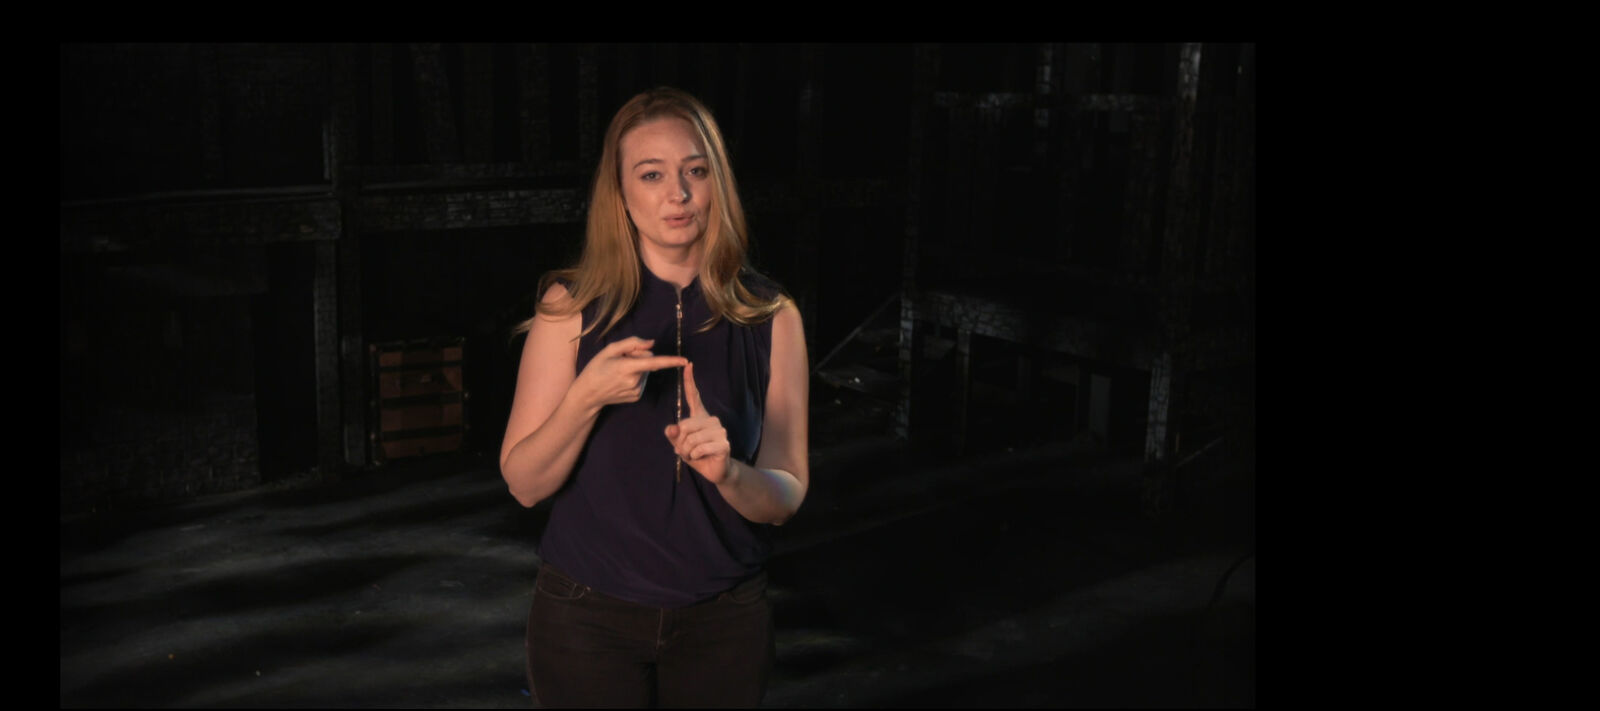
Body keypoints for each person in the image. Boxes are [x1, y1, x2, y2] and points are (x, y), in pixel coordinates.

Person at [499, 87, 809, 708]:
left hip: (725, 617)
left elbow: (786, 495)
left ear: (718, 181)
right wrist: (585, 397)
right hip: (587, 617)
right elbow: (525, 485)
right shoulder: (569, 308)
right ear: (620, 192)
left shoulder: (772, 316)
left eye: (696, 171)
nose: (679, 194)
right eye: (652, 174)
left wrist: (732, 475)